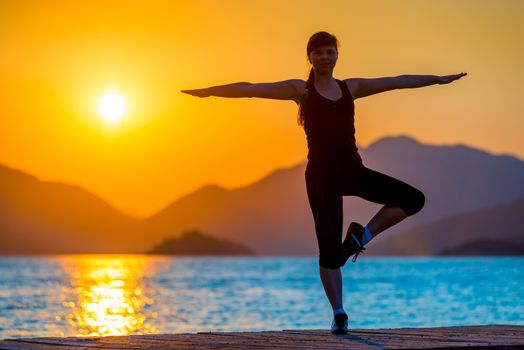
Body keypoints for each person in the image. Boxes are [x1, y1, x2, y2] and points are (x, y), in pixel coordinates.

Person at [181, 31, 467, 335]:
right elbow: (251, 89)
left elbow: (398, 80)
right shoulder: (299, 90)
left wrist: (437, 79)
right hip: (320, 178)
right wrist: (209, 91)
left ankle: (361, 236)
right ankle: (339, 313)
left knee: (413, 199)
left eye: (330, 52)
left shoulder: (351, 87)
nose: (325, 57)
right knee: (328, 251)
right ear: (310, 57)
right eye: (318, 53)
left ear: (337, 55)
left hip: (352, 171)